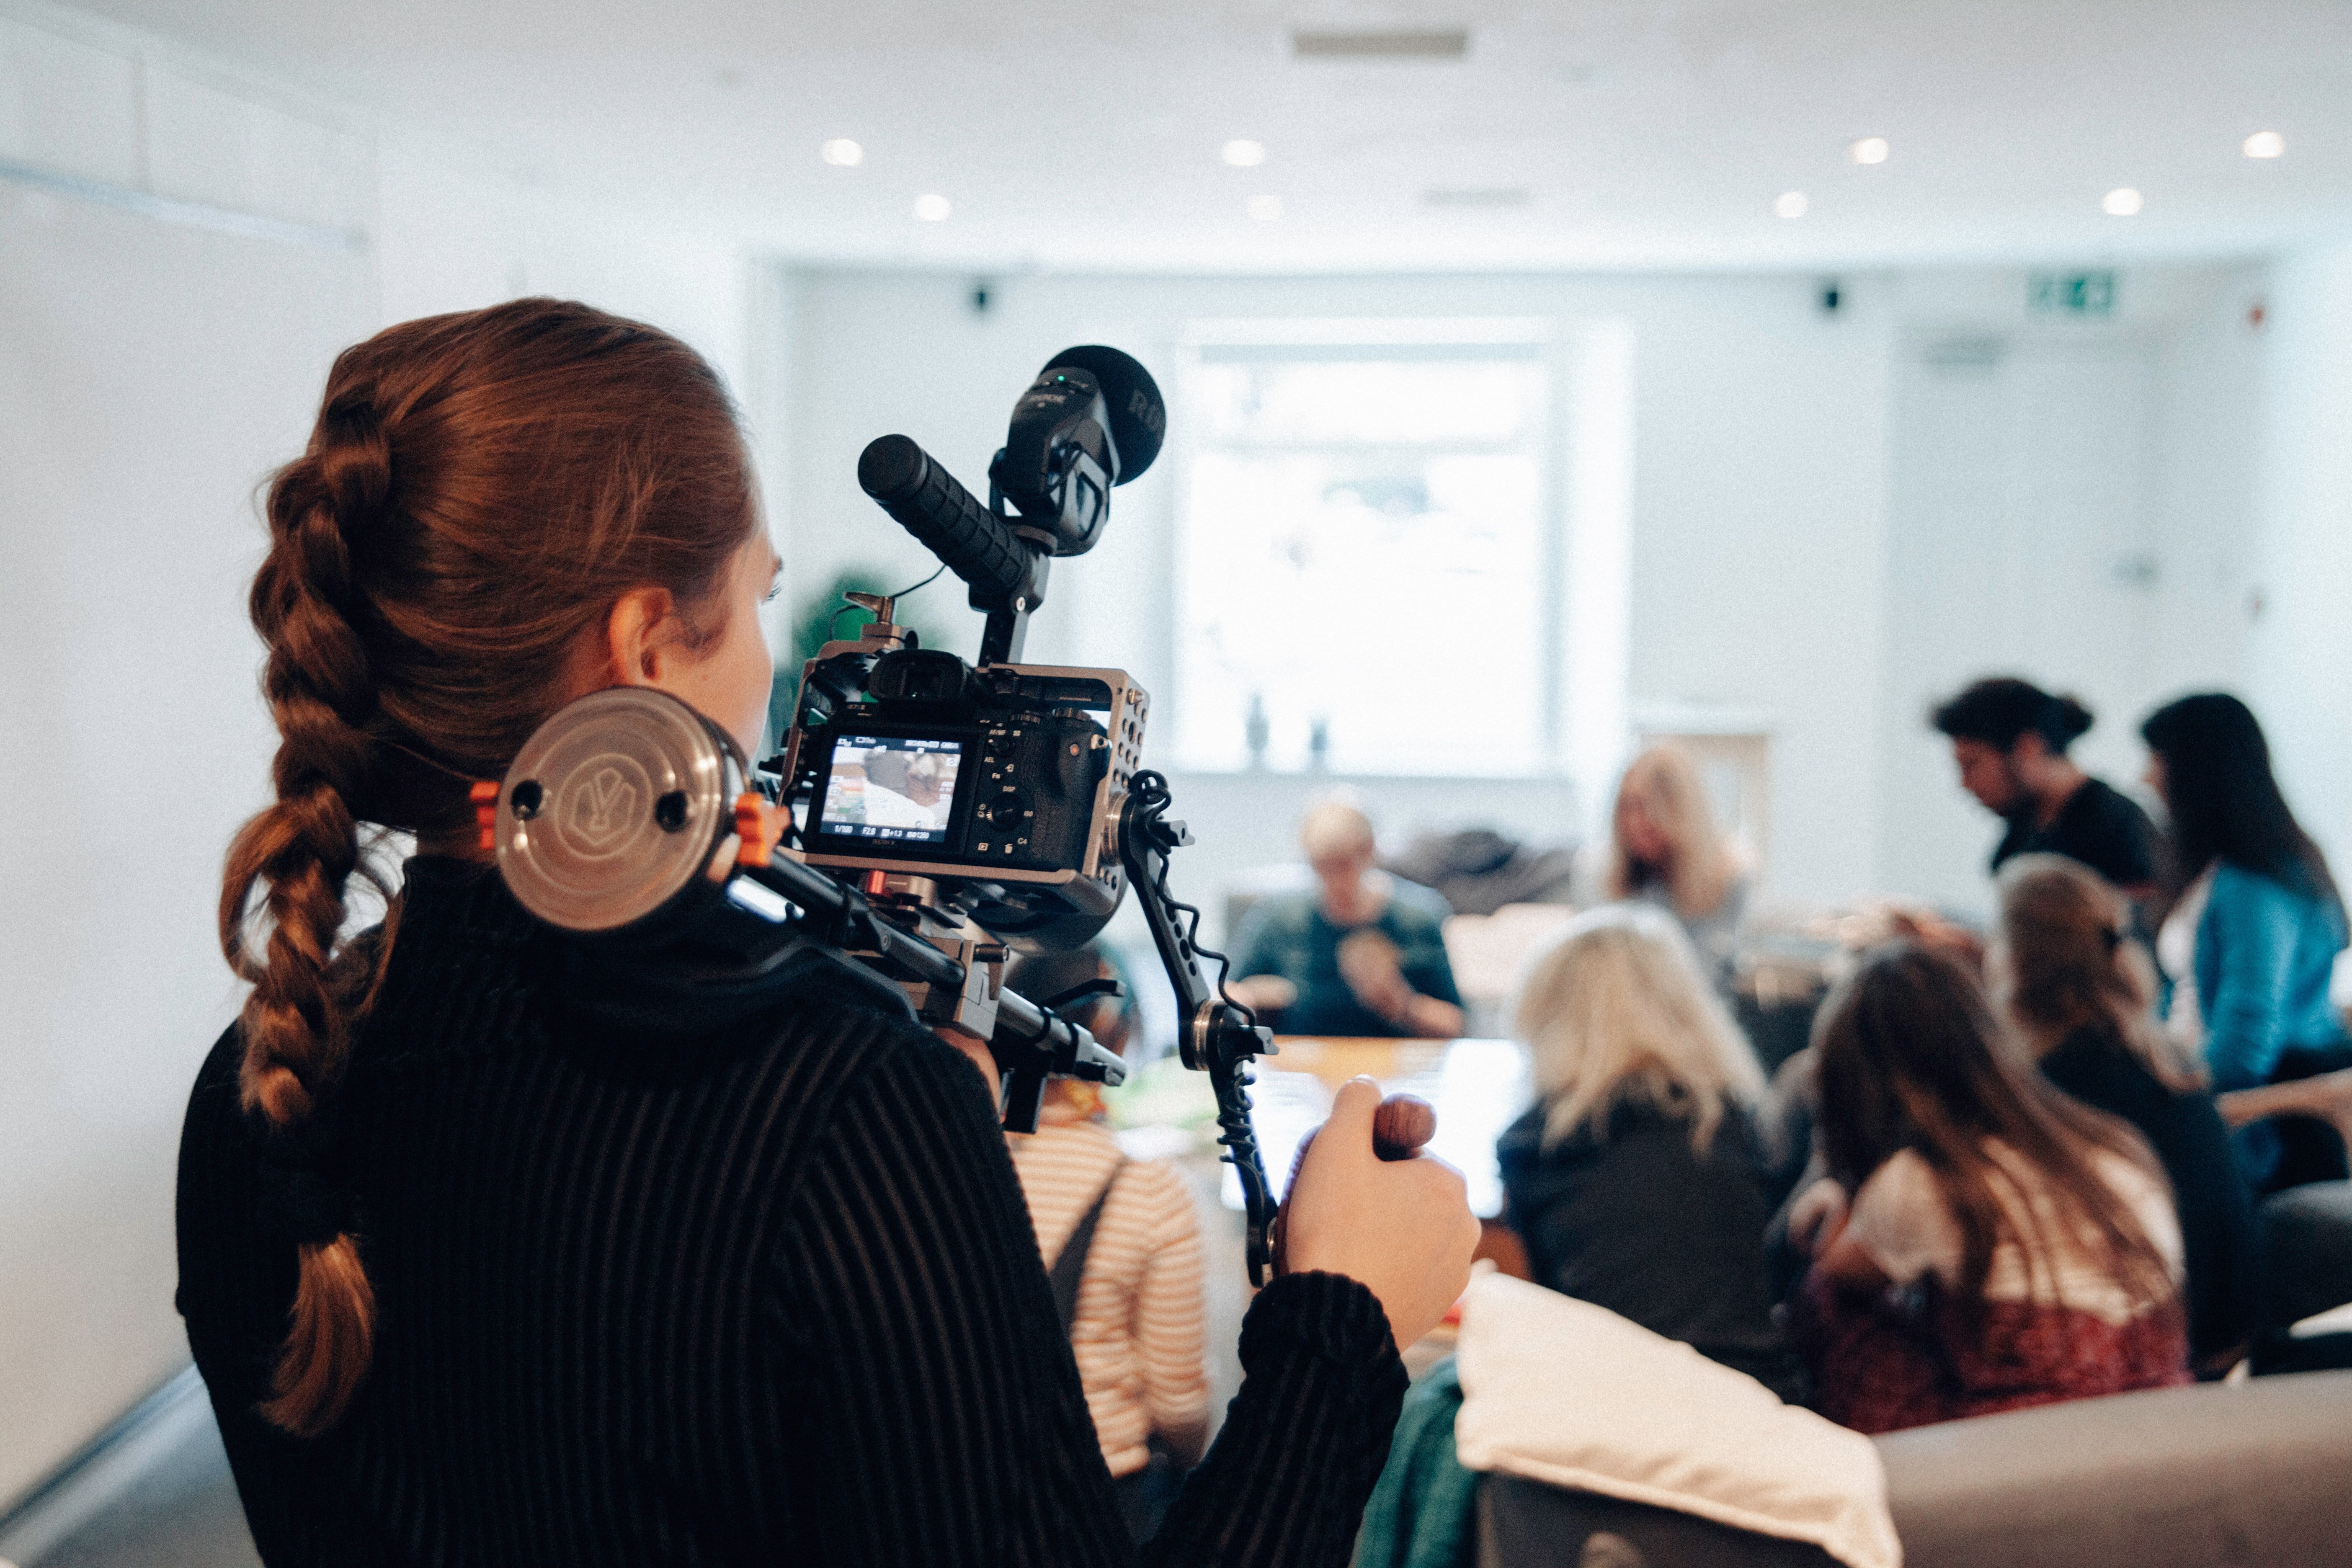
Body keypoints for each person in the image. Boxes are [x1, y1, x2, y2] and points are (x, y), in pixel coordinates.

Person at [173, 299, 1480, 1567]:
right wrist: (1344, 1314)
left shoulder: (257, 1096)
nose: (770, 671)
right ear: (644, 645)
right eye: (755, 600)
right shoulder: (837, 1104)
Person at [1788, 944, 2188, 1434]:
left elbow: (1839, 1268)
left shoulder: (1924, 1180)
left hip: (2029, 1436)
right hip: (2155, 1412)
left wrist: (1840, 1194)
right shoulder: (2112, 1144)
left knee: (1829, 1305)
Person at [1495, 905, 1806, 1403]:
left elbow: (1539, 1311)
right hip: (1759, 1400)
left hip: (1621, 1415)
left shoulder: (1535, 1145)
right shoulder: (1729, 1120)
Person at [1991, 855, 2257, 1372]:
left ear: (2018, 963)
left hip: (2174, 1345)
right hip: (2234, 1328)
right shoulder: (2152, 1052)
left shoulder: (2057, 1080)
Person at [1001, 946, 1209, 1542]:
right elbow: (1178, 1406)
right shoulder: (1147, 1191)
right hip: (1098, 1499)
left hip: (961, 1495)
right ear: (1113, 1036)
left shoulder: (950, 1160)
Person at [2140, 693, 2352, 1189]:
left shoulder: (2253, 884)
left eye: (2156, 760)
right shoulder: (2233, 870)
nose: (2146, 778)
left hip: (2257, 1121)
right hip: (2212, 1088)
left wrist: (2176, 1109)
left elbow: (2247, 1038)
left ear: (2196, 771)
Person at [1228, 799, 1464, 1039]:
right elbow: (1230, 993)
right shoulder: (1279, 918)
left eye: (1343, 865)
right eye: (1321, 866)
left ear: (1369, 852)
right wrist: (1252, 999)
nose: (1334, 881)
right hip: (1301, 1066)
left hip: (1387, 1066)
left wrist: (1402, 1003)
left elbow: (1455, 1025)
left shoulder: (1417, 920)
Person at [1932, 677, 2159, 897]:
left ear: (2028, 749)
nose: (1964, 784)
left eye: (1971, 764)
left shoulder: (2124, 831)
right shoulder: (2020, 837)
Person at [1585, 744, 1749, 989]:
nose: (1636, 822)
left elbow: (1710, 978)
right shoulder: (1599, 872)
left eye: (1648, 807)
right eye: (1628, 806)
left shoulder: (1729, 877)